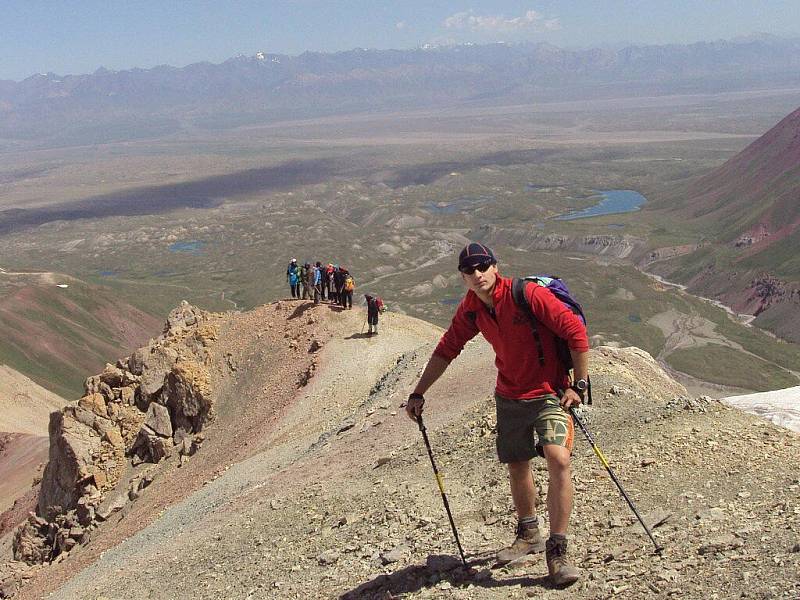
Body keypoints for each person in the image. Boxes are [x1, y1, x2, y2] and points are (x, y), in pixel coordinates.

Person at [405, 242, 589, 587]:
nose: (476, 275)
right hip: (509, 395)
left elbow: (575, 334)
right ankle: (529, 533)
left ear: (494, 267)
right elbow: (447, 349)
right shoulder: (472, 309)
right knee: (518, 463)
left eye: (482, 267)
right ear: (463, 277)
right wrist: (418, 392)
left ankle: (558, 550)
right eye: (469, 271)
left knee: (558, 459)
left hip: (550, 391)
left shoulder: (526, 294)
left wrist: (577, 386)